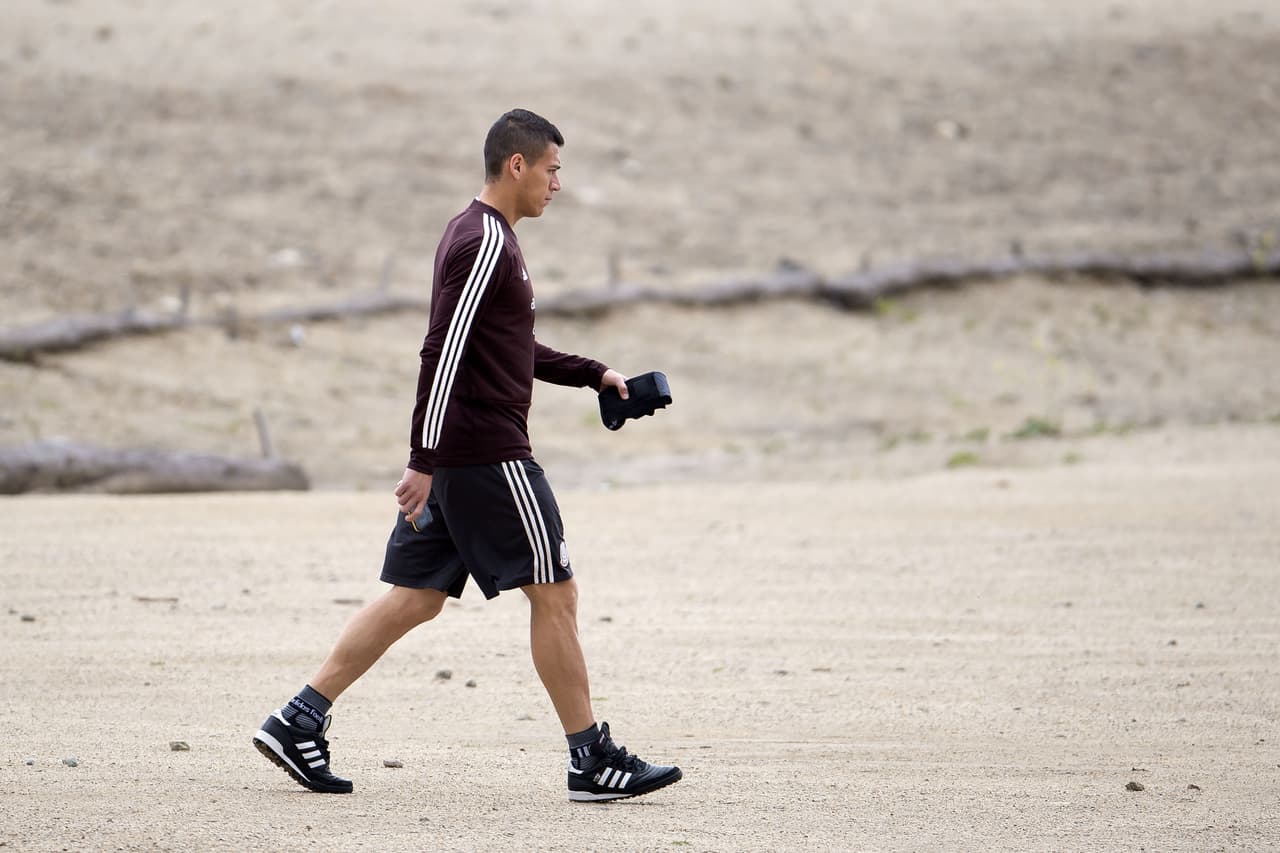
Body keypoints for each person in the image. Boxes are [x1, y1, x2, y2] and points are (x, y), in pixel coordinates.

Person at [252, 109, 682, 803]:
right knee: (556, 592)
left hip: (458, 456)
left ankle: (299, 716)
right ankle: (590, 759)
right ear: (517, 165)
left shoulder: (482, 236)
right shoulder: (484, 239)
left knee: (415, 598)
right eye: (552, 169)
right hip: (486, 454)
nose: (557, 185)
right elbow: (442, 350)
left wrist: (593, 373)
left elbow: (507, 348)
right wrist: (421, 457)